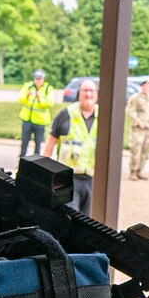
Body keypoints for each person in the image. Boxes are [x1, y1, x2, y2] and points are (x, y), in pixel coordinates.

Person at [46, 77, 99, 213]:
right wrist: (45, 170)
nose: (88, 94)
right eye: (85, 90)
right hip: (69, 179)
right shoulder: (67, 114)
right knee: (69, 216)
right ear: (79, 93)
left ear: (96, 93)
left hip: (93, 180)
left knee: (89, 220)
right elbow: (51, 141)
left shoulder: (103, 116)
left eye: (91, 91)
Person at [16, 67, 54, 160]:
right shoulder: (28, 86)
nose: (37, 81)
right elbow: (21, 99)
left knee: (38, 144)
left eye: (39, 79)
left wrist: (39, 98)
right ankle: (21, 161)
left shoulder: (48, 88)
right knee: (24, 143)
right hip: (27, 119)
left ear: (43, 79)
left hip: (40, 121)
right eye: (36, 79)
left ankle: (35, 163)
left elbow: (50, 103)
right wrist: (27, 95)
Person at [125, 81, 149, 180]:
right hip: (139, 129)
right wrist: (138, 121)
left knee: (146, 151)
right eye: (144, 86)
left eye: (148, 86)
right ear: (141, 87)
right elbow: (130, 110)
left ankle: (140, 170)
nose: (146, 88)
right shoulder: (135, 97)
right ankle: (133, 171)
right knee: (136, 150)